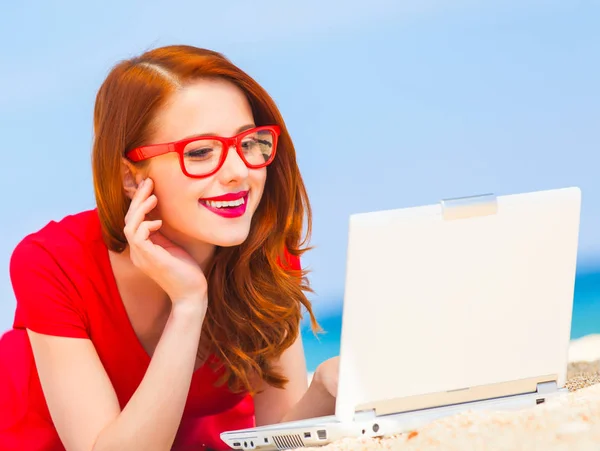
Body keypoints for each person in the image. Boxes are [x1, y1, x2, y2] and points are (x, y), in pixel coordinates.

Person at [0, 45, 339, 451]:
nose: (238, 172)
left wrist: (326, 389)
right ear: (130, 176)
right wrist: (189, 304)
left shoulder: (261, 251)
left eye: (249, 143)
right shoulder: (53, 262)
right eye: (200, 152)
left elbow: (275, 437)